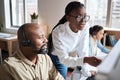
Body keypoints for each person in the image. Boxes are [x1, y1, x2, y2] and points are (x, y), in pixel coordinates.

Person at [47, 1, 101, 79]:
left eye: (85, 16)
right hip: (57, 57)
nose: (83, 20)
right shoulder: (58, 32)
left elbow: (83, 51)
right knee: (61, 78)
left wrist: (86, 72)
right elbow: (63, 59)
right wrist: (85, 61)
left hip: (68, 54)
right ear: (68, 18)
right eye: (79, 17)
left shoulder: (85, 27)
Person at [0, 23, 64, 80]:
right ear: (25, 42)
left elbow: (57, 77)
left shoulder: (45, 58)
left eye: (45, 36)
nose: (46, 40)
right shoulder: (8, 67)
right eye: (40, 37)